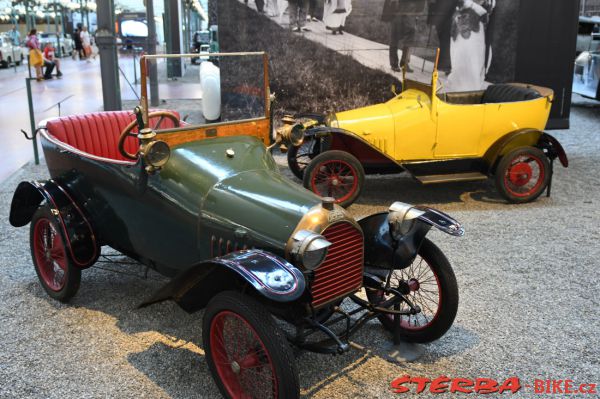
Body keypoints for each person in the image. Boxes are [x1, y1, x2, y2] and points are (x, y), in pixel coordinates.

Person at [446, 0, 495, 91]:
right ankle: (464, 88)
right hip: (465, 23)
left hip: (476, 26)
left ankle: (470, 88)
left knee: (475, 59)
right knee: (463, 57)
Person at [383, 0, 427, 73]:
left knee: (407, 40)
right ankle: (396, 64)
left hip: (408, 12)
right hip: (399, 12)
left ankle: (403, 63)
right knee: (395, 39)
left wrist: (417, 15)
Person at [428, 0, 458, 74]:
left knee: (446, 36)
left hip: (449, 9)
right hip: (443, 9)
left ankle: (443, 64)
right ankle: (443, 64)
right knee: (442, 35)